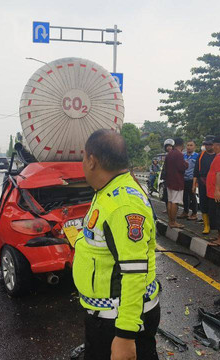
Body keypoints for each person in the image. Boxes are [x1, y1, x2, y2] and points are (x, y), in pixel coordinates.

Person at [73, 129, 160, 360]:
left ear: (92, 161)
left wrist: (125, 336)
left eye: (83, 157)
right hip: (106, 316)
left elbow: (134, 273)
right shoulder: (107, 190)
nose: (83, 163)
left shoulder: (123, 204)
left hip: (118, 321)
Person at [193, 136, 216, 234]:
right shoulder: (201, 155)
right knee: (203, 204)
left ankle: (214, 224)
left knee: (214, 204)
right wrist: (194, 185)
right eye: (205, 144)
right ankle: (206, 225)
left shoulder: (218, 155)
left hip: (215, 183)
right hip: (203, 183)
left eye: (209, 144)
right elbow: (196, 172)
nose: (207, 146)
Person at [164, 138, 188, 229]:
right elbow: (181, 167)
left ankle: (170, 221)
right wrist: (186, 164)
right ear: (182, 145)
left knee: (170, 201)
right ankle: (173, 222)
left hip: (169, 181)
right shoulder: (179, 154)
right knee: (175, 202)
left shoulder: (169, 154)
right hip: (177, 181)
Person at [179, 140, 199, 221]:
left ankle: (194, 213)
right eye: (188, 145)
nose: (189, 147)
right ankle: (185, 212)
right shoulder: (183, 156)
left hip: (192, 179)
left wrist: (196, 181)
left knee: (192, 196)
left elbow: (197, 169)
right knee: (184, 197)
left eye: (191, 145)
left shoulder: (197, 156)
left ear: (194, 147)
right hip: (183, 179)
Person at [160, 139, 174, 213]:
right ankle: (168, 208)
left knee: (173, 196)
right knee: (166, 195)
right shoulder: (166, 156)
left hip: (173, 178)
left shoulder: (174, 155)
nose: (169, 148)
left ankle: (173, 209)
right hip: (166, 178)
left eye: (170, 146)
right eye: (167, 146)